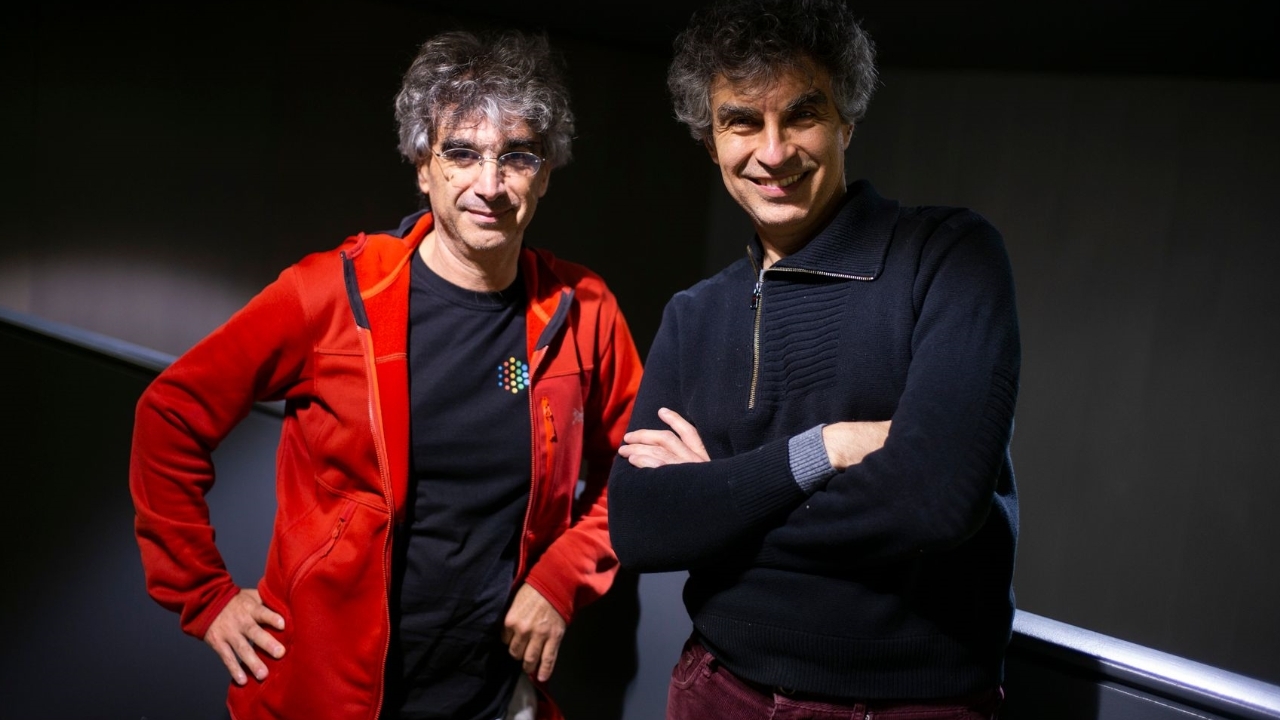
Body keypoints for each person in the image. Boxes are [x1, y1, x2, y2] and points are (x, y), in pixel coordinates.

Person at [130, 30, 642, 720]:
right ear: (423, 166)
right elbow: (170, 415)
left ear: (545, 174)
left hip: (491, 698)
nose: (489, 185)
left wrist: (560, 579)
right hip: (322, 697)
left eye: (516, 156)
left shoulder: (583, 311)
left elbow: (638, 469)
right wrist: (204, 595)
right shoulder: (331, 295)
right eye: (461, 153)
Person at [608, 0, 1019, 718]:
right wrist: (823, 450)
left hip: (906, 708)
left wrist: (716, 503)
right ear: (710, 141)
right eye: (742, 122)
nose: (773, 153)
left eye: (802, 114)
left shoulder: (950, 257)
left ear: (845, 122)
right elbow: (641, 527)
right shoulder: (692, 314)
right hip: (716, 691)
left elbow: (935, 502)